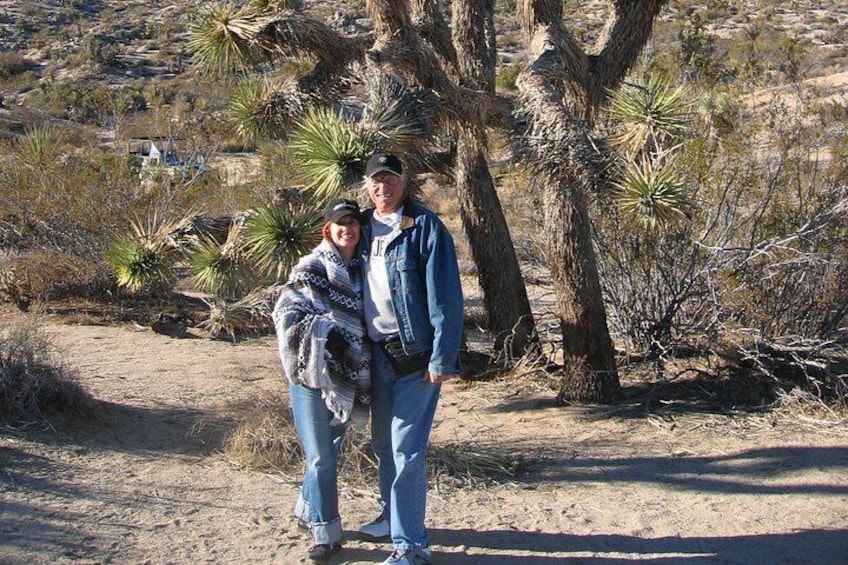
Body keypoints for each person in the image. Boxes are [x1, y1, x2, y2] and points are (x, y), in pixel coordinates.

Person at [356, 153, 464, 565]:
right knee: (384, 445)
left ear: (405, 182)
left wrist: (442, 358)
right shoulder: (361, 228)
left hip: (415, 357)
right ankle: (391, 517)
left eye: (391, 180)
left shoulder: (424, 227)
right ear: (367, 187)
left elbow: (446, 299)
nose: (384, 188)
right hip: (375, 354)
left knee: (407, 451)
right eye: (376, 181)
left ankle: (411, 546)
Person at [272, 198, 371, 563]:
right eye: (340, 223)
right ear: (327, 229)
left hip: (345, 374)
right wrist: (324, 334)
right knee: (320, 457)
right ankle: (326, 533)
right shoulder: (312, 265)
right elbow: (286, 312)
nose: (347, 228)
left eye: (353, 222)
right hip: (310, 373)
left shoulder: (363, 270)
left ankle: (305, 508)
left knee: (327, 452)